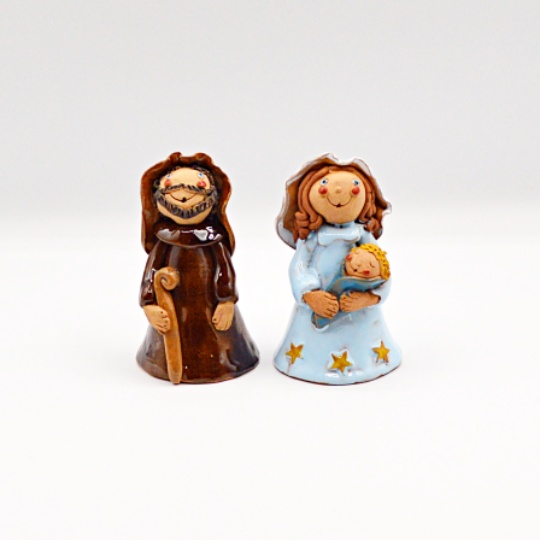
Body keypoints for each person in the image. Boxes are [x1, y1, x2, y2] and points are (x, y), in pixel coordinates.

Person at [274, 154, 401, 384]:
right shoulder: (312, 240)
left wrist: (369, 298)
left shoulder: (363, 236)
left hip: (358, 312)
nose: (340, 192)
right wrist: (310, 294)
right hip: (319, 311)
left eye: (354, 186)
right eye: (325, 184)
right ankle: (311, 363)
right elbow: (299, 268)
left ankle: (365, 361)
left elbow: (382, 270)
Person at [137, 152, 259, 383]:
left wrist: (226, 301)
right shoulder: (165, 241)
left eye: (196, 188)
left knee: (219, 338)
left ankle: (224, 362)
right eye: (172, 188)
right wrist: (149, 303)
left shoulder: (213, 240)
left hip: (211, 309)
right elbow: (151, 272)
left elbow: (224, 270)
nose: (183, 196)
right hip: (175, 310)